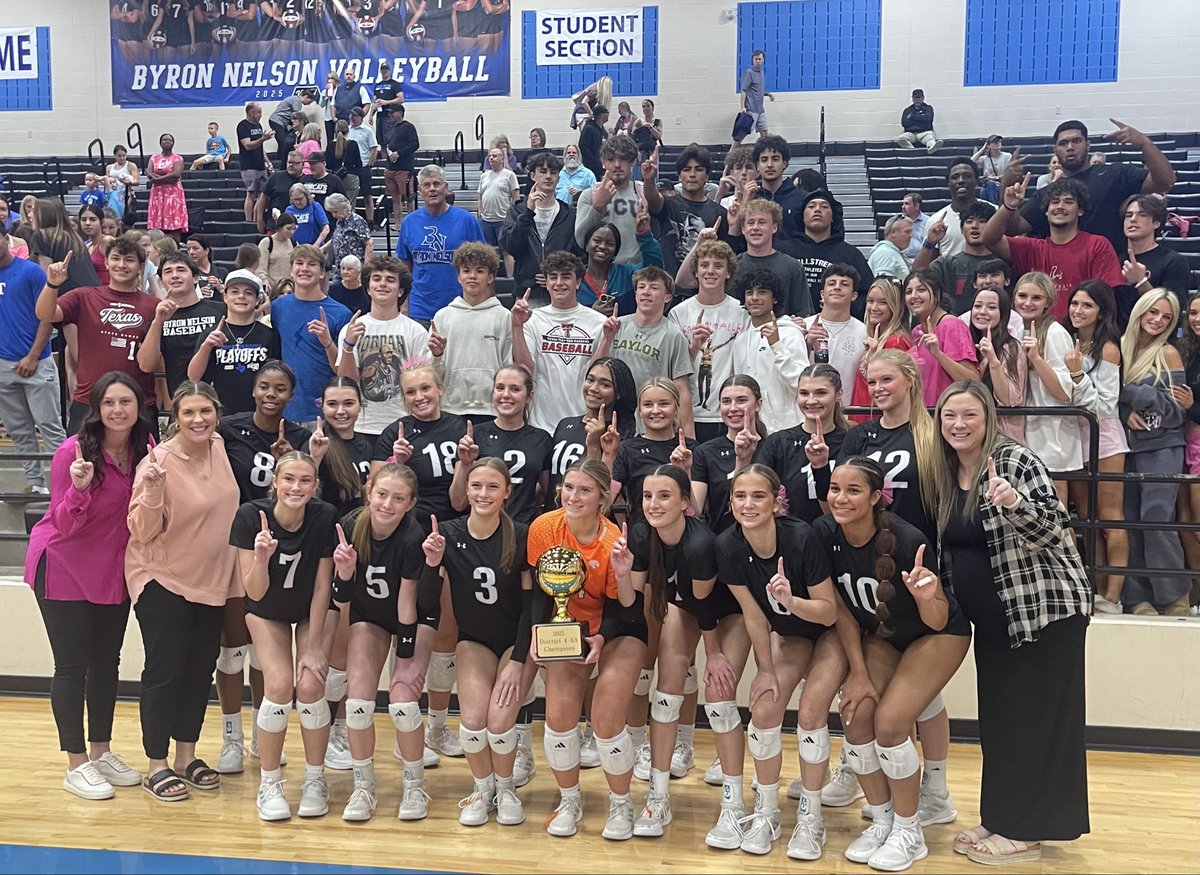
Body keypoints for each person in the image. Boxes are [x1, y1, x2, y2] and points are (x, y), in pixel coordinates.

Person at [933, 381, 1090, 865]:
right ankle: (1000, 816)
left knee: (1035, 725)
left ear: (989, 418)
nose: (959, 425)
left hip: (1042, 614)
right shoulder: (945, 471)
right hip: (997, 622)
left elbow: (1053, 528)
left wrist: (1013, 503)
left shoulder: (1015, 461)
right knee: (1001, 723)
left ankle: (1027, 832)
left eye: (969, 416)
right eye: (949, 416)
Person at [815, 457, 971, 870]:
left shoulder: (905, 539)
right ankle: (883, 819)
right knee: (854, 715)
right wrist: (859, 675)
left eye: (852, 490)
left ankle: (909, 830)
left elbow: (937, 618)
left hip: (936, 635)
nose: (840, 498)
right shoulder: (826, 535)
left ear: (875, 497)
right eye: (834, 488)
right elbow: (844, 614)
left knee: (889, 725)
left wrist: (926, 596)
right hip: (883, 637)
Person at [25, 372, 153, 799]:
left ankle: (101, 752)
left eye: (126, 402)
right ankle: (75, 763)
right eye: (109, 403)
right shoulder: (72, 453)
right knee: (71, 666)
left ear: (138, 407)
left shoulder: (147, 451)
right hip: (63, 564)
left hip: (112, 569)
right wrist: (78, 489)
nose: (118, 411)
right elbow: (62, 524)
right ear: (96, 409)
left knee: (106, 663)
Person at [712, 464, 838, 857]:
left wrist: (791, 601)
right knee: (764, 711)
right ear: (730, 502)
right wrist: (765, 669)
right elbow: (752, 614)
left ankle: (810, 818)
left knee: (812, 713)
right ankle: (767, 812)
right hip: (792, 635)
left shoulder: (802, 537)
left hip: (829, 632)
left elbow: (830, 612)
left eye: (758, 496)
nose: (748, 505)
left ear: (776, 500)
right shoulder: (727, 545)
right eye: (740, 496)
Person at [126, 381, 242, 802]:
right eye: (189, 413)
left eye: (205, 412)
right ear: (175, 417)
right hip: (163, 578)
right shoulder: (157, 461)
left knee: (198, 671)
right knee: (166, 670)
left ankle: (185, 756)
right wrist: (154, 490)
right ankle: (156, 764)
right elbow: (140, 530)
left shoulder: (220, 447)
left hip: (211, 581)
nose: (198, 420)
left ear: (217, 413)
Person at [526, 458, 643, 839]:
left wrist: (603, 637)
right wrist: (536, 634)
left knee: (607, 721)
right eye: (568, 487)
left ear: (602, 499)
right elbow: (540, 592)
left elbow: (623, 607)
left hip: (619, 627)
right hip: (568, 629)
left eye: (585, 490)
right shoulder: (544, 527)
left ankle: (622, 804)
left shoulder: (613, 541)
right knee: (559, 718)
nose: (573, 496)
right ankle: (569, 799)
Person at [630, 464, 747, 837]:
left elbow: (708, 605)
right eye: (648, 496)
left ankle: (733, 803)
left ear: (685, 503)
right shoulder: (640, 534)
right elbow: (632, 598)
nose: (654, 503)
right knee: (666, 693)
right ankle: (658, 795)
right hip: (685, 606)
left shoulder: (700, 543)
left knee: (720, 698)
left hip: (728, 613)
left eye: (664, 496)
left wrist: (713, 655)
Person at [421, 458, 539, 826]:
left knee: (500, 721)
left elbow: (533, 606)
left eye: (492, 487)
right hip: (474, 641)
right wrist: (431, 565)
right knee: (472, 722)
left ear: (507, 492)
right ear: (466, 490)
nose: (483, 494)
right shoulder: (449, 533)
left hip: (515, 643)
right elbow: (427, 603)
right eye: (476, 486)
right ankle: (482, 788)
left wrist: (519, 660)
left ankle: (506, 789)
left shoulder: (521, 535)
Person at [213, 360, 313, 773]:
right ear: (253, 391)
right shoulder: (229, 429)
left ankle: (260, 733)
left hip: (286, 546)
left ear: (291, 396)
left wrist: (293, 459)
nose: (272, 395)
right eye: (264, 387)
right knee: (233, 646)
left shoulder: (300, 436)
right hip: (237, 541)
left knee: (263, 652)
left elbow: (311, 485)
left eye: (280, 389)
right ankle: (231, 736)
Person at [230, 451, 338, 820]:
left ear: (315, 485)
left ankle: (314, 778)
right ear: (275, 483)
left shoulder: (324, 515)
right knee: (277, 686)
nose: (296, 487)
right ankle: (270, 781)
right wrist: (261, 557)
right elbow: (254, 593)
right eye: (289, 479)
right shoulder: (250, 516)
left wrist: (313, 647)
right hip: (267, 610)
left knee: (309, 685)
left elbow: (324, 585)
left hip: (309, 608)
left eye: (305, 480)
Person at [330, 463, 428, 822]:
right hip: (368, 615)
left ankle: (414, 785)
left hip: (413, 619)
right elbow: (340, 597)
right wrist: (344, 572)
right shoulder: (351, 525)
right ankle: (363, 786)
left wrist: (404, 658)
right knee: (357, 703)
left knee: (403, 702)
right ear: (368, 490)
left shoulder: (411, 538)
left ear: (410, 503)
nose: (387, 504)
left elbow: (407, 604)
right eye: (382, 494)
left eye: (398, 498)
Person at [1001, 119, 1177, 256]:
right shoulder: (1050, 194)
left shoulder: (1115, 174)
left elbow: (1165, 181)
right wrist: (1007, 182)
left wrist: (1145, 144)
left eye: (1076, 141)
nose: (1070, 147)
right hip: (1063, 270)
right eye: (1063, 143)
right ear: (1055, 150)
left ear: (1088, 144)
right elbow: (1013, 227)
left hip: (1110, 268)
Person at [37, 235, 158, 433]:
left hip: (138, 400)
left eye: (129, 260)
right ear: (107, 263)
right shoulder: (84, 296)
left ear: (140, 266)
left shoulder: (153, 306)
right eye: (116, 258)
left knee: (143, 462)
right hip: (89, 400)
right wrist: (52, 285)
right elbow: (45, 313)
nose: (121, 265)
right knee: (81, 460)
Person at [1119, 290, 1190, 616]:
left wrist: (1136, 393)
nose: (1158, 320)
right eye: (1154, 313)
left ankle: (1174, 594)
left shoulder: (1169, 354)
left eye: (1166, 317)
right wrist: (1125, 410)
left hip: (1163, 446)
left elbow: (1176, 412)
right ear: (1140, 312)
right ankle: (1137, 597)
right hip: (1126, 446)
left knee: (1157, 518)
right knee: (1129, 520)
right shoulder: (1121, 348)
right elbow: (1108, 402)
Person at [1060, 281, 1127, 613]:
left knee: (1110, 517)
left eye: (1086, 305)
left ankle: (1113, 596)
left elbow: (1105, 406)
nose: (1077, 310)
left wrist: (1077, 376)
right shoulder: (1066, 340)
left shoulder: (1109, 348)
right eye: (1074, 303)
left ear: (1101, 311)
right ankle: (1094, 590)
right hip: (1073, 439)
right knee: (1085, 520)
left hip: (1106, 439)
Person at [982, 176, 1123, 318]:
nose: (1060, 206)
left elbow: (1105, 297)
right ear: (1046, 211)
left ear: (1080, 210)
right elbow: (989, 239)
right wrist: (1008, 207)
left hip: (1079, 333)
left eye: (1068, 202)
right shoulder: (1032, 248)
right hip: (1037, 334)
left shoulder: (1097, 245)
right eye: (1055, 202)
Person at [841, 350, 939, 543]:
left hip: (919, 547)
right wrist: (819, 467)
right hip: (867, 548)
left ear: (909, 379)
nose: (878, 388)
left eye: (887, 379)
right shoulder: (857, 436)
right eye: (871, 382)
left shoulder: (934, 435)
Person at [0, 231, 66, 494]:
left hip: (37, 362)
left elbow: (47, 316)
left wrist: (33, 355)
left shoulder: (32, 272)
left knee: (50, 426)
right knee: (18, 430)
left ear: (6, 239)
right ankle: (36, 484)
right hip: (3, 366)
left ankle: (63, 483)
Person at [514, 251, 608, 433]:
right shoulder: (531, 319)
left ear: (578, 282)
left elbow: (598, 372)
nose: (559, 283)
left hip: (583, 422)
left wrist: (608, 338)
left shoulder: (599, 322)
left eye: (566, 277)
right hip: (540, 424)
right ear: (546, 283)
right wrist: (516, 326)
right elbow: (525, 368)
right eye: (553, 277)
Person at [336, 255, 430, 435]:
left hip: (405, 425)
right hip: (362, 426)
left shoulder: (416, 331)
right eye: (376, 279)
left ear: (401, 290)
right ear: (368, 288)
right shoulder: (351, 329)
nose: (383, 284)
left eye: (390, 280)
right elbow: (347, 383)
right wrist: (348, 346)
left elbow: (423, 383)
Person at [668, 238, 750, 442]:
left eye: (718, 266)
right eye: (704, 265)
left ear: (728, 272)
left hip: (730, 413)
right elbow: (672, 368)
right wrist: (694, 347)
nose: (710, 271)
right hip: (689, 414)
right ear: (695, 272)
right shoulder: (679, 313)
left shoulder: (742, 311)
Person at [1013, 272, 1081, 502]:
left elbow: (1064, 393)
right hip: (1026, 432)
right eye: (1022, 296)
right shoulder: (1013, 330)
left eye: (1036, 298)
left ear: (1048, 303)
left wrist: (1037, 359)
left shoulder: (1054, 333)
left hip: (1052, 433)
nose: (1027, 303)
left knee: (1055, 512)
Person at [427, 244, 515, 420]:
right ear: (459, 277)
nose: (472, 276)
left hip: (492, 410)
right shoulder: (443, 316)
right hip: (450, 408)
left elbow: (509, 365)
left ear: (490, 277)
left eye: (479, 271)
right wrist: (437, 355)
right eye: (466, 271)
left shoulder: (504, 316)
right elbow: (431, 373)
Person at [271, 244, 353, 423]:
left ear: (323, 272)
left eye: (312, 264)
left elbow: (344, 370)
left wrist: (327, 342)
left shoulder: (341, 313)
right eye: (299, 263)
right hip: (286, 409)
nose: (304, 268)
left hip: (325, 411)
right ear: (291, 271)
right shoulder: (278, 308)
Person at [760, 364, 851, 523]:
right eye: (804, 393)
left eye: (821, 393)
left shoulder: (852, 441)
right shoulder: (778, 442)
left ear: (839, 394)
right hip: (792, 537)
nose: (811, 401)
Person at [396, 165, 486, 323]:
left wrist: (483, 303)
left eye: (436, 184)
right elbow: (404, 268)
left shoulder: (466, 220)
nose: (432, 189)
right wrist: (404, 305)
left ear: (446, 187)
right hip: (420, 309)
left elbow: (485, 264)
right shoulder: (409, 223)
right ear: (419, 190)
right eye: (426, 185)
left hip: (460, 308)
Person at [188, 270, 281, 415]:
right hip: (222, 415)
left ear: (257, 300)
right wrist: (206, 347)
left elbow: (276, 377)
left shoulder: (269, 335)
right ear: (225, 296)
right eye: (234, 291)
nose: (241, 296)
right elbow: (193, 377)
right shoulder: (211, 335)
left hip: (260, 416)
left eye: (248, 293)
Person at [135, 251, 226, 396]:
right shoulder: (157, 317)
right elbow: (146, 365)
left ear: (195, 278)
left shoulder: (220, 310)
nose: (175, 275)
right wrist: (158, 322)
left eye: (181, 270)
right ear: (162, 280)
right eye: (168, 271)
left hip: (220, 397)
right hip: (181, 400)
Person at [730, 268, 809, 433]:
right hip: (752, 431)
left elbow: (801, 384)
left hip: (789, 428)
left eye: (762, 292)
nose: (755, 298)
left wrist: (776, 344)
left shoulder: (790, 333)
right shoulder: (740, 341)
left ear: (774, 298)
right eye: (749, 292)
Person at [691, 375, 768, 533]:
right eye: (726, 401)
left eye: (741, 400)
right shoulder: (705, 452)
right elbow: (695, 511)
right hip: (722, 538)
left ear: (758, 404)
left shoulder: (773, 447)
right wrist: (683, 471)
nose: (733, 408)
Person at [499, 151, 576, 304]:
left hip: (560, 293)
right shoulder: (517, 211)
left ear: (558, 178)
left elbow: (577, 254)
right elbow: (511, 246)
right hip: (527, 293)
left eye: (553, 172)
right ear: (533, 176)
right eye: (543, 171)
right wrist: (528, 213)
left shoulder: (569, 214)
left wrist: (556, 273)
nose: (548, 176)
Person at [905, 269, 979, 406]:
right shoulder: (916, 332)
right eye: (909, 292)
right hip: (923, 418)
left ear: (936, 293)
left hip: (948, 417)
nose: (914, 296)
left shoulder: (951, 326)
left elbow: (972, 380)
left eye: (921, 290)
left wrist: (938, 354)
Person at [913, 201, 999, 315]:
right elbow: (917, 275)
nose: (974, 226)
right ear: (962, 230)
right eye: (969, 222)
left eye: (982, 221)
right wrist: (930, 242)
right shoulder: (947, 264)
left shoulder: (1002, 263)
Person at [966, 286, 1026, 442]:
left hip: (1002, 435)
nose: (982, 311)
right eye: (977, 306)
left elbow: (1010, 399)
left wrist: (993, 361)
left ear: (1003, 313)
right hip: (971, 432)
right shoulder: (968, 342)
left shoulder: (1011, 347)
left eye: (991, 307)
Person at [575, 134, 646, 267]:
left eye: (624, 159)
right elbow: (580, 240)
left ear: (633, 161)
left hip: (636, 271)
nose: (617, 165)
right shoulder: (589, 194)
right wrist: (597, 207)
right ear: (602, 162)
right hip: (602, 270)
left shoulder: (643, 193)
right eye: (611, 159)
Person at [803, 264, 869, 398]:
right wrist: (807, 344)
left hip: (848, 411)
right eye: (831, 283)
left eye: (844, 284)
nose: (837, 287)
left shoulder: (865, 332)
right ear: (822, 293)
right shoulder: (803, 327)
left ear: (854, 295)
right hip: (808, 407)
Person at [1119, 193, 1191, 314]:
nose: (1133, 219)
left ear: (1156, 223)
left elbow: (1172, 310)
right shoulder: (1114, 258)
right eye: (1128, 215)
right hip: (1117, 331)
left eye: (1142, 215)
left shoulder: (1173, 261)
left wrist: (1141, 282)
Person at [852, 279, 912, 420]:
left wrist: (872, 358)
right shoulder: (875, 339)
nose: (874, 307)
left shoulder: (896, 342)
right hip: (861, 421)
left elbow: (894, 389)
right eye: (870, 301)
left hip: (877, 423)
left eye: (883, 302)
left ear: (894, 307)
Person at [478, 147, 522, 269]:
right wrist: (480, 212)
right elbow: (480, 197)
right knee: (486, 253)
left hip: (503, 220)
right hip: (486, 220)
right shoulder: (484, 176)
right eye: (490, 156)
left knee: (506, 251)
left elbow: (516, 198)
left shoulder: (509, 175)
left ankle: (510, 280)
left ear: (502, 158)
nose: (491, 158)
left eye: (495, 156)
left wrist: (512, 216)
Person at [146, 133, 188, 241]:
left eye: (169, 140)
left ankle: (175, 244)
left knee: (174, 223)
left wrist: (158, 179)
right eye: (164, 139)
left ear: (173, 143)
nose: (167, 141)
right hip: (157, 193)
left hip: (173, 193)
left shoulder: (178, 158)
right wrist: (167, 178)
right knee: (158, 223)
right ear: (160, 143)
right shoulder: (154, 157)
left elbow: (176, 175)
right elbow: (149, 173)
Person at [383, 104, 420, 225]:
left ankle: (412, 223)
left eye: (392, 113)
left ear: (400, 113)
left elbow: (415, 144)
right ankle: (398, 224)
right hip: (391, 168)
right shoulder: (391, 128)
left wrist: (399, 153)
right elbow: (388, 144)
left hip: (404, 168)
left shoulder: (408, 127)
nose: (390, 115)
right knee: (395, 198)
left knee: (409, 197)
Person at [324, 194, 373, 285]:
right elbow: (334, 240)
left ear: (344, 207)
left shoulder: (357, 220)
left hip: (355, 269)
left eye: (335, 211)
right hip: (341, 268)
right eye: (332, 212)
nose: (334, 215)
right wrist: (319, 250)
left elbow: (369, 244)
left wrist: (367, 268)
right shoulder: (339, 222)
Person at [257, 213, 297, 287]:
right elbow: (260, 269)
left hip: (290, 288)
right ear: (279, 228)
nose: (292, 232)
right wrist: (265, 283)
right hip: (272, 288)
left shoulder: (294, 243)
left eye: (294, 229)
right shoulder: (267, 243)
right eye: (288, 228)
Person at [740, 50, 774, 138]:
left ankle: (763, 150)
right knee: (743, 133)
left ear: (763, 60)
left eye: (760, 59)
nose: (758, 61)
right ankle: (732, 151)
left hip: (760, 109)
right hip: (751, 109)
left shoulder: (762, 72)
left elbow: (758, 89)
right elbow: (744, 90)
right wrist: (742, 107)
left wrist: (767, 94)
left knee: (764, 132)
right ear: (752, 60)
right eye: (756, 59)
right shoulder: (749, 73)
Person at [868, 216, 913, 282]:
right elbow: (882, 286)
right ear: (893, 232)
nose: (910, 236)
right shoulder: (885, 253)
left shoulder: (891, 252)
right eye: (907, 232)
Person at [285, 184, 330, 248]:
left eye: (300, 199)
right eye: (295, 199)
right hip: (294, 247)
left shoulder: (315, 206)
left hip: (312, 246)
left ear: (306, 196)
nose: (298, 202)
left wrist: (316, 245)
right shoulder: (289, 210)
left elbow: (326, 228)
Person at [184, 234, 226, 300]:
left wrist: (220, 288)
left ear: (206, 250)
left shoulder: (222, 272)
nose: (191, 252)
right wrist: (198, 293)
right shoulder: (187, 273)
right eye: (188, 249)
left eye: (195, 248)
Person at [107, 145, 141, 221]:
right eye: (119, 156)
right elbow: (107, 181)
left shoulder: (130, 165)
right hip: (114, 194)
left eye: (123, 155)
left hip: (126, 194)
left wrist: (126, 181)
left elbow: (137, 181)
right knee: (114, 215)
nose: (122, 158)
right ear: (115, 156)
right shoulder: (109, 167)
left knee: (128, 216)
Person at [578, 106, 610, 179]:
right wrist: (593, 161)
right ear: (602, 115)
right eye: (607, 113)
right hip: (591, 166)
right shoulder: (589, 128)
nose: (608, 115)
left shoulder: (602, 130)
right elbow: (583, 146)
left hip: (601, 166)